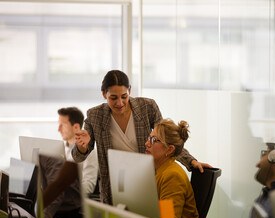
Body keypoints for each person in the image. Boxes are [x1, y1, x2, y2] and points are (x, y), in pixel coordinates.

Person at [72, 70, 211, 204]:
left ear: (130, 91)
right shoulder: (95, 115)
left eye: (124, 96)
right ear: (103, 94)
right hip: (114, 188)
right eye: (113, 98)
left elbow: (167, 140)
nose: (119, 103)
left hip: (146, 181)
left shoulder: (147, 107)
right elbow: (78, 157)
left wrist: (191, 162)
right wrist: (81, 147)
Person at [145, 118, 198, 218]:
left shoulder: (172, 176)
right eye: (149, 138)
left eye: (153, 140)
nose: (147, 143)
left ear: (169, 150)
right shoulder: (162, 170)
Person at [39, 154, 84, 218]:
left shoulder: (50, 154)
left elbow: (58, 190)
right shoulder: (33, 151)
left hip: (69, 214)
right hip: (55, 211)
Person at [58, 107, 99, 195]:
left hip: (75, 201)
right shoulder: (62, 151)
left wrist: (64, 191)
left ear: (76, 127)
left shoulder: (89, 153)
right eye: (59, 125)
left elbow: (89, 186)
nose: (59, 130)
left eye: (63, 125)